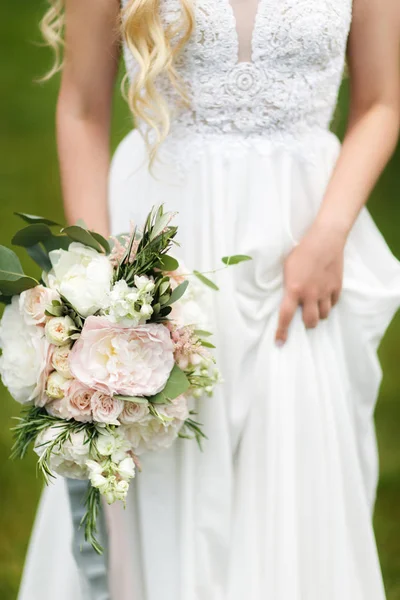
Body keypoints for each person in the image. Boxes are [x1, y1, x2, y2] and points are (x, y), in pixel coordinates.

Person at [18, 0, 400, 599]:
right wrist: (100, 282)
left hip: (305, 240)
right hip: (166, 241)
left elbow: (382, 101)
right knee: (165, 461)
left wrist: (331, 233)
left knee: (294, 464)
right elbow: (83, 108)